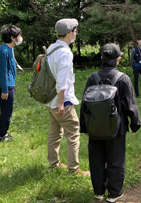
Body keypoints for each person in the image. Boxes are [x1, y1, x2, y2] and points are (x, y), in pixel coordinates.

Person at [80, 43, 141, 202]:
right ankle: (114, 193)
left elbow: (84, 104)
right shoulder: (123, 79)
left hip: (94, 127)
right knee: (116, 160)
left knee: (96, 160)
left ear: (101, 57)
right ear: (118, 59)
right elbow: (130, 105)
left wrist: (84, 126)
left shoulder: (92, 77)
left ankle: (98, 192)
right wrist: (134, 124)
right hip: (117, 128)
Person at [45, 18, 83, 175]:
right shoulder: (65, 53)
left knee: (55, 133)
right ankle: (73, 170)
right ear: (70, 33)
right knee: (73, 133)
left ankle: (53, 165)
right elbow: (62, 81)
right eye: (75, 31)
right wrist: (61, 103)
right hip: (62, 101)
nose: (76, 33)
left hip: (49, 100)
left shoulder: (51, 49)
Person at [0, 25, 22, 142]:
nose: (21, 38)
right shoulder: (3, 51)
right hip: (6, 86)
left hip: (10, 84)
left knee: (7, 111)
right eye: (19, 36)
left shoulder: (10, 49)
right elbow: (2, 71)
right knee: (6, 112)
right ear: (13, 37)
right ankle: (2, 135)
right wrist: (4, 89)